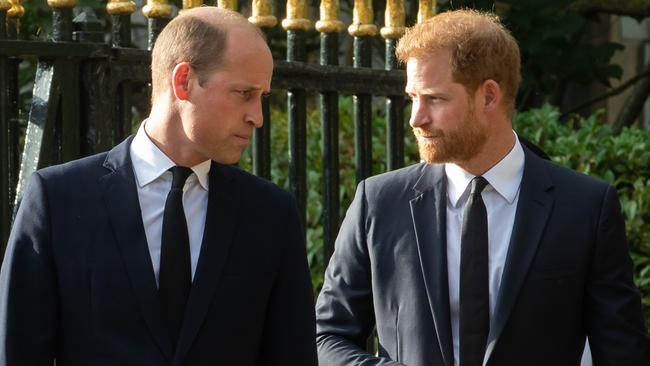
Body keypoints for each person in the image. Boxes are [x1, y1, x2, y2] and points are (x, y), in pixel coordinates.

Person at [316, 9, 650, 366]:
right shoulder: (379, 202)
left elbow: (622, 351)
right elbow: (327, 336)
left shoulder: (585, 208)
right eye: (413, 97)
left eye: (435, 98)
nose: (416, 117)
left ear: (489, 96)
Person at [0, 7, 317, 366]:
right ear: (183, 81)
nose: (257, 117)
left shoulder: (271, 214)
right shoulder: (58, 200)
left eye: (262, 97)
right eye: (244, 93)